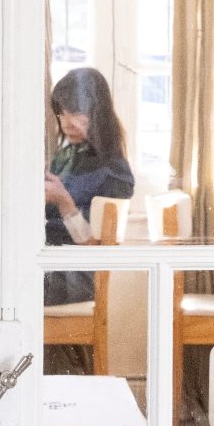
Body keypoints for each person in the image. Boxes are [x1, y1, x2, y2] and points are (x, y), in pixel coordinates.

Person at [44, 67, 135, 306]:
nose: (67, 123)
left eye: (75, 113)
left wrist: (64, 202)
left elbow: (95, 247)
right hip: (49, 263)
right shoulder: (65, 155)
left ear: (97, 113)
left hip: (75, 276)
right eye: (61, 114)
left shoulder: (115, 170)